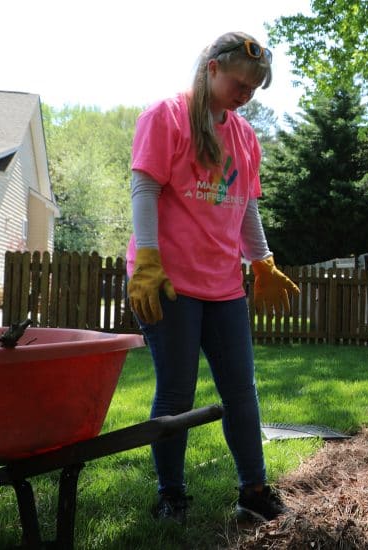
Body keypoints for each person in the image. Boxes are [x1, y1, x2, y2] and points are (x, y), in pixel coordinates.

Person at [125, 31, 299, 525]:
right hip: (169, 282)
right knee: (176, 393)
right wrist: (150, 261)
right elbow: (143, 189)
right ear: (212, 69)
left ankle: (254, 490)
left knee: (242, 390)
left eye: (255, 86)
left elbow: (245, 207)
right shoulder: (167, 116)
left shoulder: (244, 135)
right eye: (240, 81)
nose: (246, 93)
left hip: (223, 284)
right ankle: (171, 495)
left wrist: (261, 261)